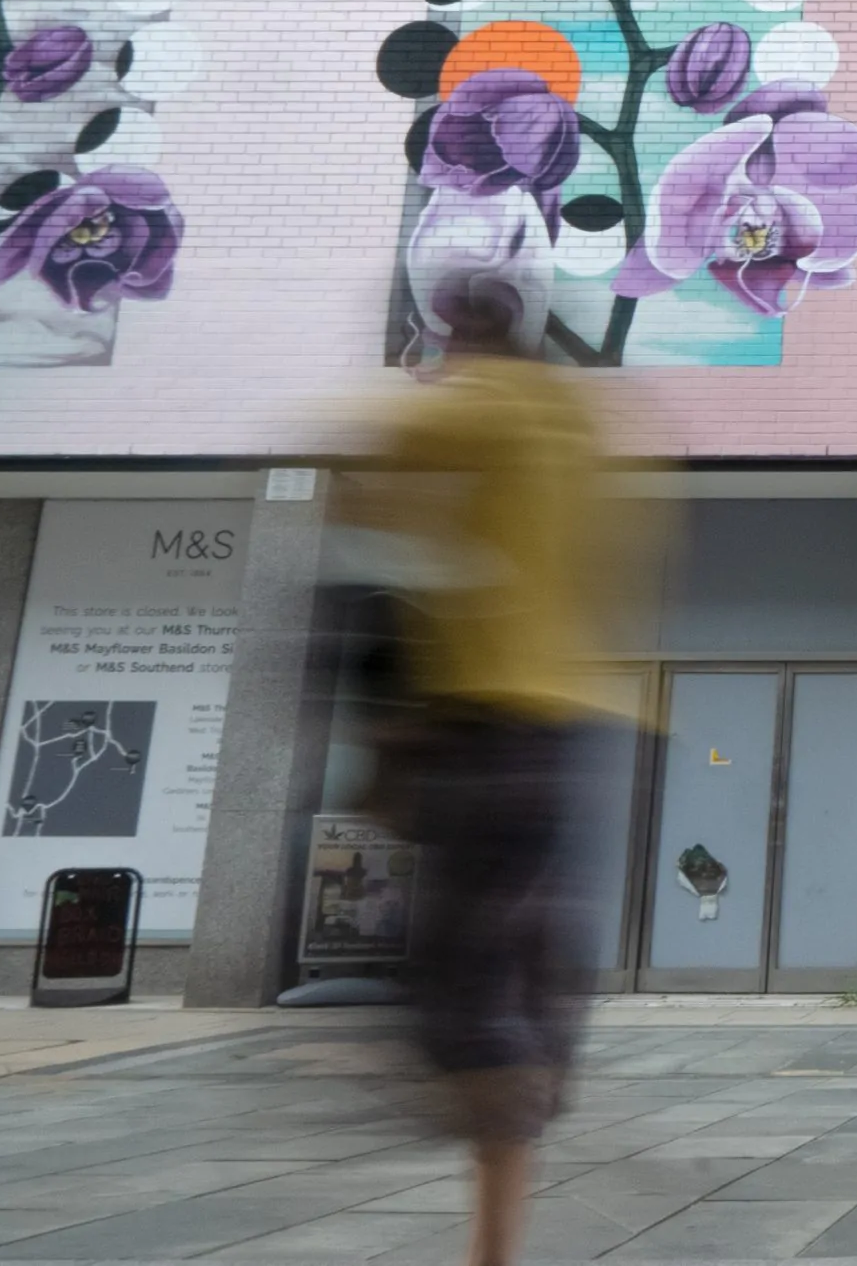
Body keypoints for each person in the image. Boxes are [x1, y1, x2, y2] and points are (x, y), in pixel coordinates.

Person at [343, 276, 641, 1266]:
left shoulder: (472, 406)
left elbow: (355, 467)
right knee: (525, 968)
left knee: (468, 989)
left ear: (461, 334)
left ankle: (479, 1074)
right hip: (575, 726)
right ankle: (496, 1221)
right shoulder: (583, 425)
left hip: (481, 724)